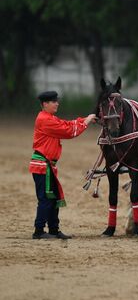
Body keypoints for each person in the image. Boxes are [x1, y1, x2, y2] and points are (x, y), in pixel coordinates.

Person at [29, 91, 97, 239]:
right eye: (53, 101)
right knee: (46, 199)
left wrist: (85, 119)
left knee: (53, 199)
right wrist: (85, 123)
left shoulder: (50, 117)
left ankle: (54, 230)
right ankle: (38, 231)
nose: (57, 103)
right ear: (44, 104)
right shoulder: (44, 119)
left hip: (47, 166)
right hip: (42, 165)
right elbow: (68, 131)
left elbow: (67, 124)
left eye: (56, 101)